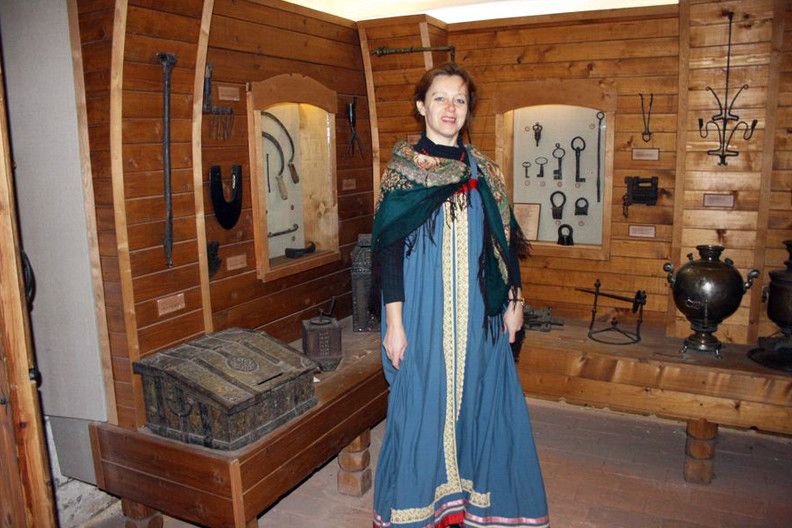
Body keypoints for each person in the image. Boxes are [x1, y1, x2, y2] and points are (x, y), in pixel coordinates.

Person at [370, 63, 550, 528]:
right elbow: (389, 252)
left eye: (460, 100)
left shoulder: (485, 170)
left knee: (479, 403)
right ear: (421, 106)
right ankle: (419, 509)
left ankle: (473, 506)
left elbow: (504, 244)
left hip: (478, 314)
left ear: (468, 109)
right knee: (420, 406)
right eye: (440, 98)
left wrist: (515, 303)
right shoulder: (403, 171)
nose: (450, 108)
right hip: (422, 311)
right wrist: (395, 324)